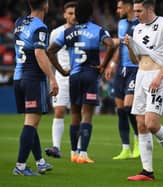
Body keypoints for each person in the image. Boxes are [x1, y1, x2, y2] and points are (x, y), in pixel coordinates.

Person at [48, 0, 114, 164]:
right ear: (91, 14)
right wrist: (103, 65)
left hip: (74, 76)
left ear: (76, 15)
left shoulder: (68, 32)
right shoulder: (98, 30)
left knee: (75, 114)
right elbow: (111, 45)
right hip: (90, 75)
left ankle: (73, 153)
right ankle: (83, 153)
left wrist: (62, 70)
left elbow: (50, 51)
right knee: (87, 115)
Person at [123, 0, 163, 181]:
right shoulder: (137, 29)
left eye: (139, 11)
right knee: (140, 124)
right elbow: (135, 60)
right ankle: (147, 171)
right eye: (135, 11)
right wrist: (129, 46)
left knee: (152, 124)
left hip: (158, 76)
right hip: (141, 75)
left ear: (149, 8)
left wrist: (159, 77)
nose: (136, 14)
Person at [12, 0, 58, 176]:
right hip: (33, 79)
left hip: (18, 78)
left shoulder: (19, 23)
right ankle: (21, 166)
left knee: (31, 122)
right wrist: (52, 78)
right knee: (31, 124)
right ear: (46, 5)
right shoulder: (41, 27)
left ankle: (40, 162)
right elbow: (39, 53)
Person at [105, 0, 139, 160]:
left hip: (135, 68)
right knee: (120, 110)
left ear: (128, 7)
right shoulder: (121, 23)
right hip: (121, 70)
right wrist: (112, 63)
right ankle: (125, 148)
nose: (117, 10)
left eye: (119, 7)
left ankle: (138, 141)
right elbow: (120, 47)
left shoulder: (140, 24)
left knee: (128, 107)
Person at [45, 1, 77, 158]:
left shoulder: (83, 31)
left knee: (78, 113)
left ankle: (76, 150)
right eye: (69, 13)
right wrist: (53, 79)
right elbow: (50, 56)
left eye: (75, 13)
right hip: (61, 77)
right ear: (64, 15)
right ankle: (56, 147)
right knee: (59, 111)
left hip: (79, 78)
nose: (72, 16)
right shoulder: (56, 33)